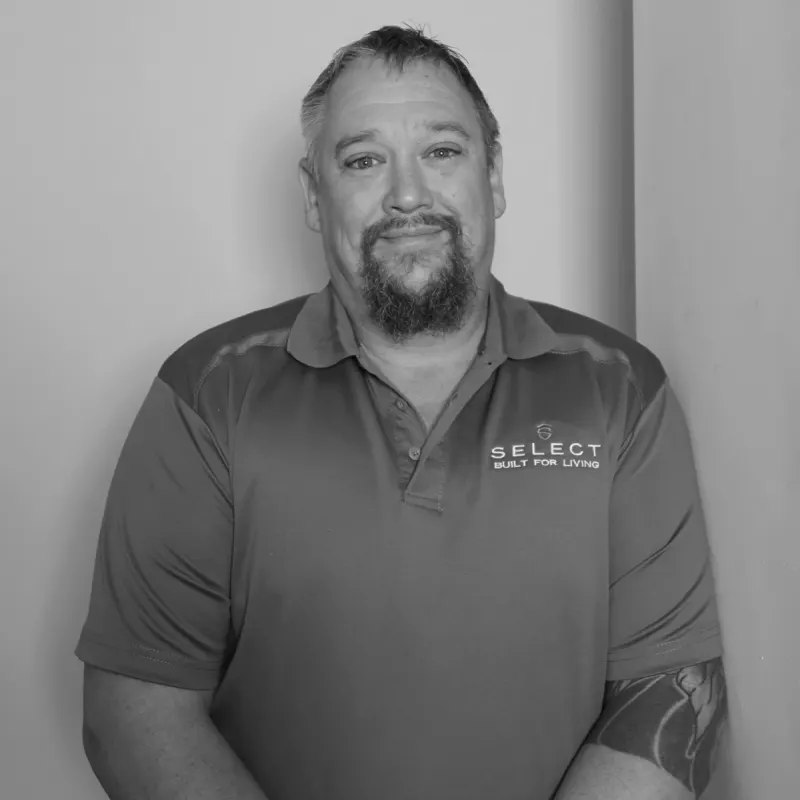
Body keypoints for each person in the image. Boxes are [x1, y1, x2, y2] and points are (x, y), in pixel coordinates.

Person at [76, 24, 728, 800]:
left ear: (494, 179)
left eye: (442, 151)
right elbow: (135, 709)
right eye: (363, 160)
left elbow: (667, 692)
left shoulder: (622, 390)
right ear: (316, 199)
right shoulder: (206, 394)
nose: (408, 194)